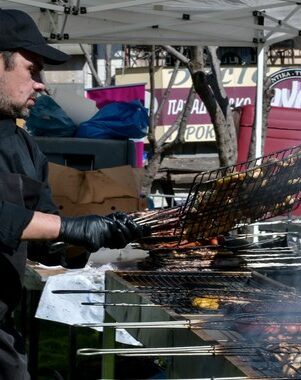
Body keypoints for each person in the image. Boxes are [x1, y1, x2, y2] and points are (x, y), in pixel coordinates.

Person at [0, 9, 146, 379]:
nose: (42, 84)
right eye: (32, 70)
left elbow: (44, 236)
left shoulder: (24, 146)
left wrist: (97, 239)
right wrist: (71, 228)